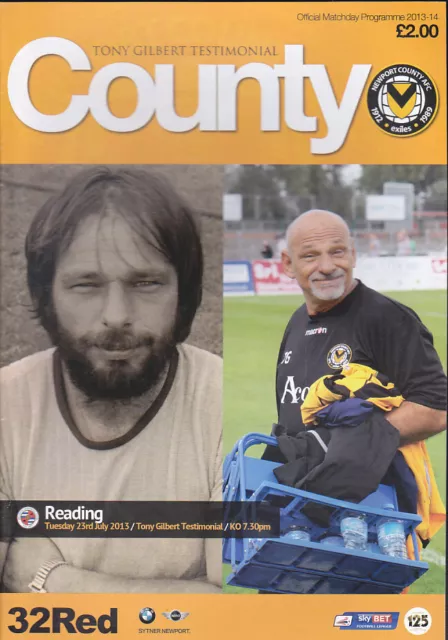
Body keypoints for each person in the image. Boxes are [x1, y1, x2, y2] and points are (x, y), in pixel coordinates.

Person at [0, 167, 222, 593]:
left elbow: (237, 613)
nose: (117, 314)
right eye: (86, 285)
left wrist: (55, 581)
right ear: (45, 297)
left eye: (146, 283)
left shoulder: (221, 406)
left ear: (185, 294)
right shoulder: (9, 405)